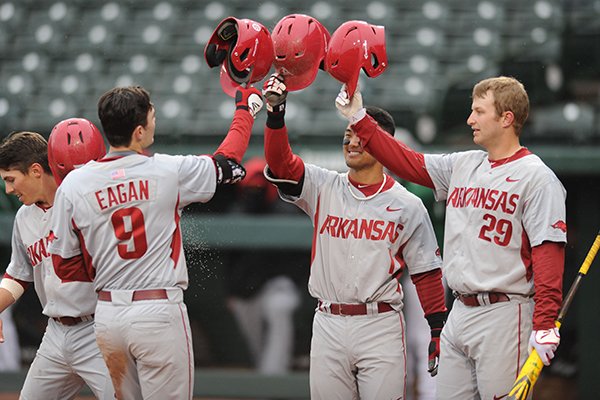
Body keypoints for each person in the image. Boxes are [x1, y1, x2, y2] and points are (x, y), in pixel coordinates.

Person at [336, 76, 567, 399]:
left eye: (479, 111)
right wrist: (360, 121)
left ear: (506, 118)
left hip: (504, 312)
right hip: (458, 310)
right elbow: (407, 161)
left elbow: (548, 254)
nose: (470, 119)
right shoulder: (463, 164)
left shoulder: (538, 178)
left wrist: (543, 324)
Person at [48, 85, 263, 399]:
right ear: (138, 131)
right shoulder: (166, 170)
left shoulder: (74, 185)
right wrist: (245, 110)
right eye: (151, 115)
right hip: (157, 310)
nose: (154, 119)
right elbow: (227, 158)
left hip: (108, 315)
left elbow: (64, 266)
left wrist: (109, 265)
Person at [261, 74, 447, 400]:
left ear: (384, 146)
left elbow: (427, 272)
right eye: (347, 135)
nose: (352, 141)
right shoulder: (323, 186)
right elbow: (280, 164)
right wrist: (276, 116)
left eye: (361, 135)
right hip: (328, 320)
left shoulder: (408, 204)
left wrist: (436, 329)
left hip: (380, 323)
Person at [0, 124, 114, 399]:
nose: (8, 189)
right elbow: (19, 275)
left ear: (36, 171)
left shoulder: (83, 203)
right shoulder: (24, 217)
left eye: (11, 179)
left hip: (98, 328)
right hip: (55, 333)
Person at [225, 157, 307, 375]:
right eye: (251, 185)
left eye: (260, 185)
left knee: (279, 307)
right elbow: (230, 261)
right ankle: (261, 371)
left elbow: (299, 263)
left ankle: (273, 376)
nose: (256, 189)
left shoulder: (286, 212)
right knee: (246, 317)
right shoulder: (238, 213)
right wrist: (233, 291)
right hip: (248, 288)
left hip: (278, 284)